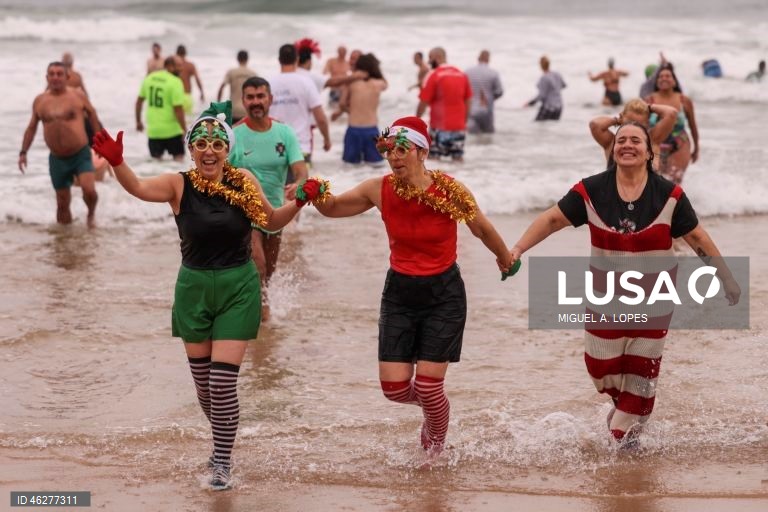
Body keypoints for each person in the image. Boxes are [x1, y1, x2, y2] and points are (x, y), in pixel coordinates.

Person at [90, 101, 319, 491]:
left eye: (216, 143)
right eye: (201, 142)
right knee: (203, 389)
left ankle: (222, 464)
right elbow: (139, 188)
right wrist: (117, 163)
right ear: (191, 149)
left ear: (227, 149)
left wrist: (299, 201)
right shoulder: (178, 184)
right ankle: (220, 445)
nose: (209, 149)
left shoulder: (243, 180)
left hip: (238, 288)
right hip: (193, 289)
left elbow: (270, 220)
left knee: (222, 384)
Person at [508, 121, 740, 447]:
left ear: (649, 152)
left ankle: (623, 442)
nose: (627, 145)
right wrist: (517, 248)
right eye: (621, 140)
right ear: (613, 149)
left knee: (640, 377)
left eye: (635, 140)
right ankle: (633, 414)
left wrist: (724, 277)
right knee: (599, 368)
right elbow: (552, 219)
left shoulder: (669, 196)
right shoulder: (591, 191)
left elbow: (696, 236)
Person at [311, 116, 513, 456]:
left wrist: (505, 257)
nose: (395, 157)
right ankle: (436, 411)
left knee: (429, 386)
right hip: (399, 294)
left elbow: (481, 227)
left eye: (403, 149)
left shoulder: (449, 190)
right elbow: (334, 209)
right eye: (390, 150)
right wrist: (314, 193)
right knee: (393, 389)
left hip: (443, 294)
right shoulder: (378, 188)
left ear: (422, 152)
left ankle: (434, 450)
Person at [229, 77, 309, 321]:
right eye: (250, 97)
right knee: (258, 263)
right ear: (243, 101)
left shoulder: (284, 132)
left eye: (260, 96)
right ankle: (259, 314)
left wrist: (299, 184)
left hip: (275, 214)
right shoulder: (235, 136)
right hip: (244, 212)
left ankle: (260, 305)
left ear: (270, 99)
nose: (256, 102)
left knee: (269, 272)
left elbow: (300, 169)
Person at [19, 61, 102, 227]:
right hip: (57, 159)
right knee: (62, 204)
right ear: (47, 77)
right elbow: (31, 127)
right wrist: (23, 152)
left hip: (80, 154)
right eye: (52, 74)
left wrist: (99, 138)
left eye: (59, 74)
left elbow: (92, 113)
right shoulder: (40, 101)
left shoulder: (78, 96)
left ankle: (91, 214)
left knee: (89, 190)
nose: (55, 77)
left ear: (67, 77)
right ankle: (65, 241)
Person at [268, 43, 331, 179]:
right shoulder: (306, 82)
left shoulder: (269, 83)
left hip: (274, 149)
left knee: (277, 195)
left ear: (279, 60)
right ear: (296, 59)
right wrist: (326, 139)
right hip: (301, 149)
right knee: (298, 195)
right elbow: (320, 117)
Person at [644, 64, 699, 184]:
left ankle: (677, 202)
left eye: (668, 76)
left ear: (674, 81)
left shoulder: (684, 100)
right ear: (656, 81)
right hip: (655, 143)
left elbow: (693, 126)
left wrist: (696, 148)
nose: (664, 78)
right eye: (661, 76)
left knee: (675, 180)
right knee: (656, 181)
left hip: (680, 141)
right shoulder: (649, 100)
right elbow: (642, 125)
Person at [589, 98, 678, 171]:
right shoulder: (611, 142)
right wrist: (616, 120)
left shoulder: (653, 139)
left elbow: (671, 113)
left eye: (639, 125)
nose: (633, 127)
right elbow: (595, 124)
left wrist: (648, 107)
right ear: (621, 119)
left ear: (647, 123)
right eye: (629, 122)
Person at [416, 47, 472, 161]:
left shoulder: (434, 75)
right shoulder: (461, 74)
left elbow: (423, 101)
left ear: (437, 57)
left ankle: (438, 180)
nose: (428, 62)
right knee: (457, 159)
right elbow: (468, 100)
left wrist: (416, 120)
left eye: (430, 58)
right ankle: (462, 177)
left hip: (439, 127)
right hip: (459, 127)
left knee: (434, 161)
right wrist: (464, 121)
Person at [338, 53, 388, 164]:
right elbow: (386, 83)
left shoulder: (351, 83)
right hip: (371, 129)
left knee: (350, 166)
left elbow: (341, 104)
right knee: (375, 165)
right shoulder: (379, 84)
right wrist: (376, 69)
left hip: (353, 129)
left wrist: (351, 111)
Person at [136, 56, 187, 161]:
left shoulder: (149, 78)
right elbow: (178, 109)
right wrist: (184, 129)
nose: (182, 68)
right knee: (178, 163)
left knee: (156, 168)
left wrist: (138, 121)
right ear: (169, 66)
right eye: (179, 66)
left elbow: (139, 102)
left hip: (154, 132)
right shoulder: (176, 82)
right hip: (173, 131)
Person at [465, 50, 504, 134]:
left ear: (478, 58)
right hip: (486, 110)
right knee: (488, 136)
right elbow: (500, 91)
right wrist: (491, 98)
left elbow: (462, 91)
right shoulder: (493, 73)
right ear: (488, 59)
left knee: (473, 136)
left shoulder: (467, 72)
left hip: (471, 110)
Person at [216, 50, 256, 125]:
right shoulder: (252, 73)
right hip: (247, 110)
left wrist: (218, 105)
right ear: (247, 59)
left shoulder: (231, 72)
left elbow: (222, 87)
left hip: (234, 110)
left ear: (237, 59)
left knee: (234, 133)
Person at [524, 55, 566, 121]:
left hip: (548, 108)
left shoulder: (544, 78)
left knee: (537, 125)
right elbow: (564, 85)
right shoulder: (557, 74)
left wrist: (529, 103)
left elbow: (541, 96)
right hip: (559, 107)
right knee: (553, 127)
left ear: (541, 65)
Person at [175, 45, 205, 114]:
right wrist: (202, 92)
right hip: (187, 97)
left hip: (175, 96)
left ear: (176, 53)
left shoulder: (173, 66)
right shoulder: (190, 65)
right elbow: (197, 79)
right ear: (185, 53)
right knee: (188, 121)